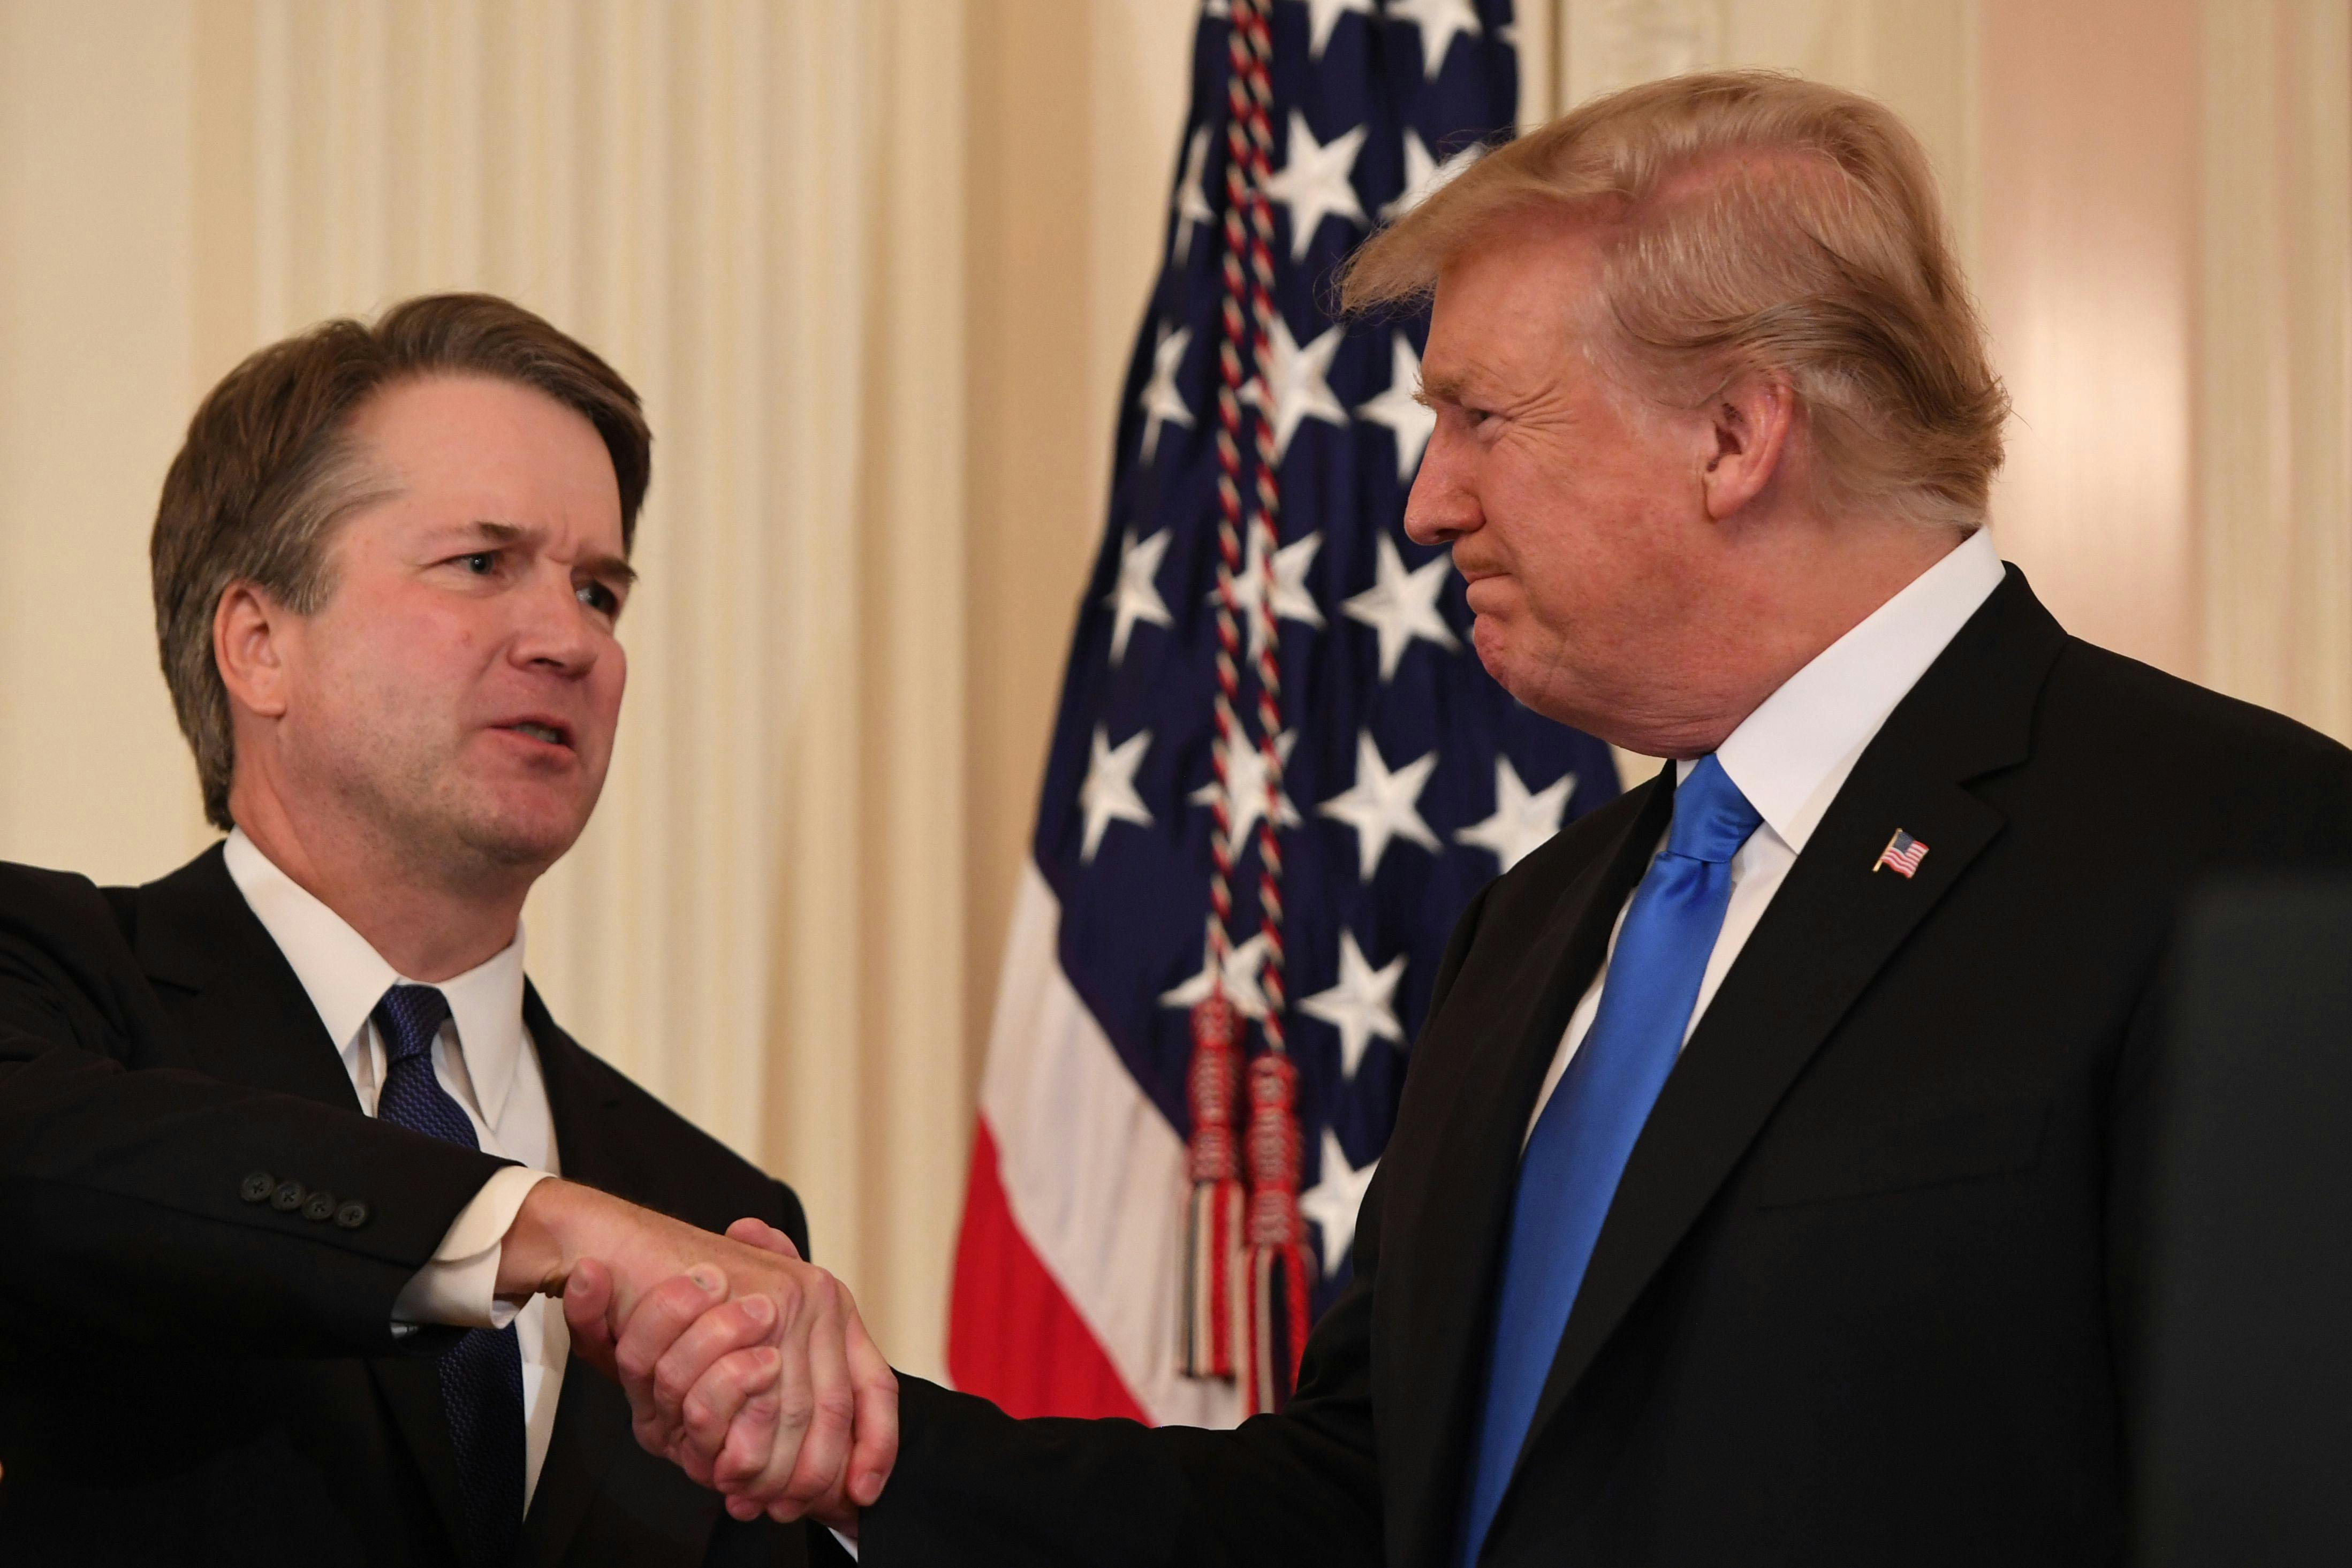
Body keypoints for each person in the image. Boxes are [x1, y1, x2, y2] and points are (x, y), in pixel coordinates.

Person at [604, 71, 2352, 1563]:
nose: (1428, 504)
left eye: (1477, 418)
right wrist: (879, 1456)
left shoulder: (2240, 857)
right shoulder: (1539, 926)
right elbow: (1364, 1505)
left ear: (1735, 432)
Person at [0, 294, 893, 1565]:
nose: (568, 640)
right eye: (483, 563)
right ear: (260, 645)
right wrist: (541, 1227)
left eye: (599, 590)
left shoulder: (715, 1210)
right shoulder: (51, 985)